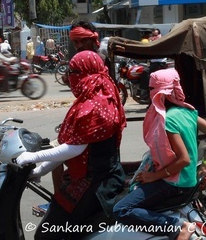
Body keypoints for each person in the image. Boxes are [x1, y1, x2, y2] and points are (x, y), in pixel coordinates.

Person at [16, 50, 126, 239]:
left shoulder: (95, 104)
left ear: (85, 72)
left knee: (48, 233)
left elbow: (75, 148)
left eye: (73, 72)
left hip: (97, 182)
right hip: (89, 176)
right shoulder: (98, 94)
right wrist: (39, 171)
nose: (69, 78)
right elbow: (69, 145)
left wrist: (33, 157)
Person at [113, 68, 206, 240]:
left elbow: (184, 159)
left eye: (151, 89)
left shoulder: (168, 119)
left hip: (175, 184)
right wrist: (205, 166)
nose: (149, 93)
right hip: (188, 180)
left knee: (121, 209)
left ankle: (177, 227)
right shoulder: (188, 112)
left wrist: (154, 176)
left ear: (160, 92)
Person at [139, 28, 167, 101]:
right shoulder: (152, 41)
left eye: (156, 35)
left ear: (159, 35)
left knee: (145, 72)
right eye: (153, 35)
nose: (154, 36)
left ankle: (145, 92)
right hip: (153, 63)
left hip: (160, 63)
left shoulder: (161, 41)